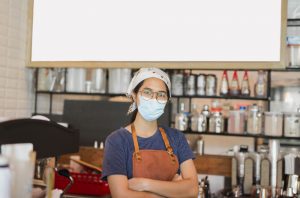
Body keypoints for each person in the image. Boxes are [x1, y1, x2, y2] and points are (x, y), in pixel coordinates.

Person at [101, 68, 198, 198]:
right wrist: (173, 190)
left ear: (166, 100)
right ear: (134, 96)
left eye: (161, 94)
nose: (154, 99)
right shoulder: (117, 141)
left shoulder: (176, 138)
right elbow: (121, 195)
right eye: (147, 92)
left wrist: (145, 185)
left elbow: (192, 190)